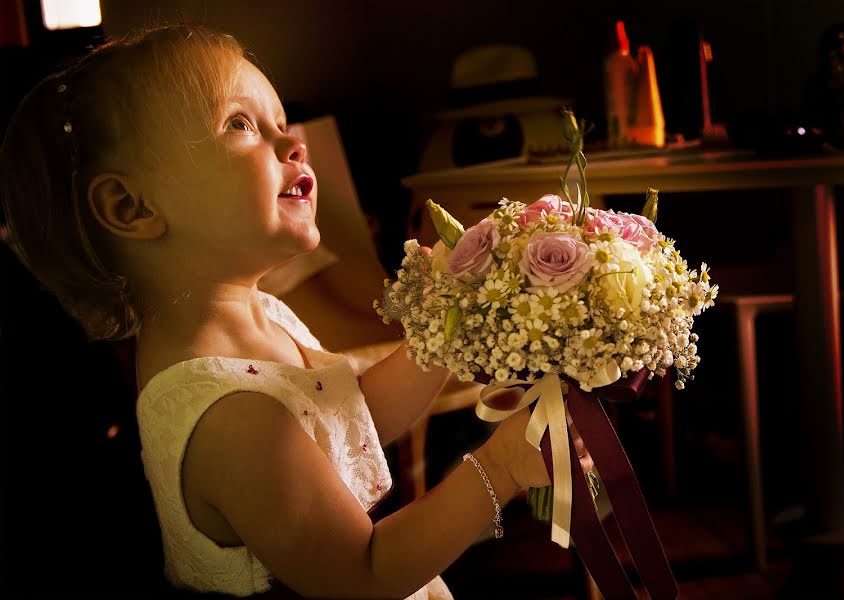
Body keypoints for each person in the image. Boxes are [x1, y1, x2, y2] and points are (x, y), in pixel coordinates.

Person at [0, 23, 553, 599]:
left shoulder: (266, 315)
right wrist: (502, 465)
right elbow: (363, 573)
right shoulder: (233, 417)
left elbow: (351, 419)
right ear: (131, 206)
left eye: (281, 124)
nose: (295, 144)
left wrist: (451, 319)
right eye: (240, 124)